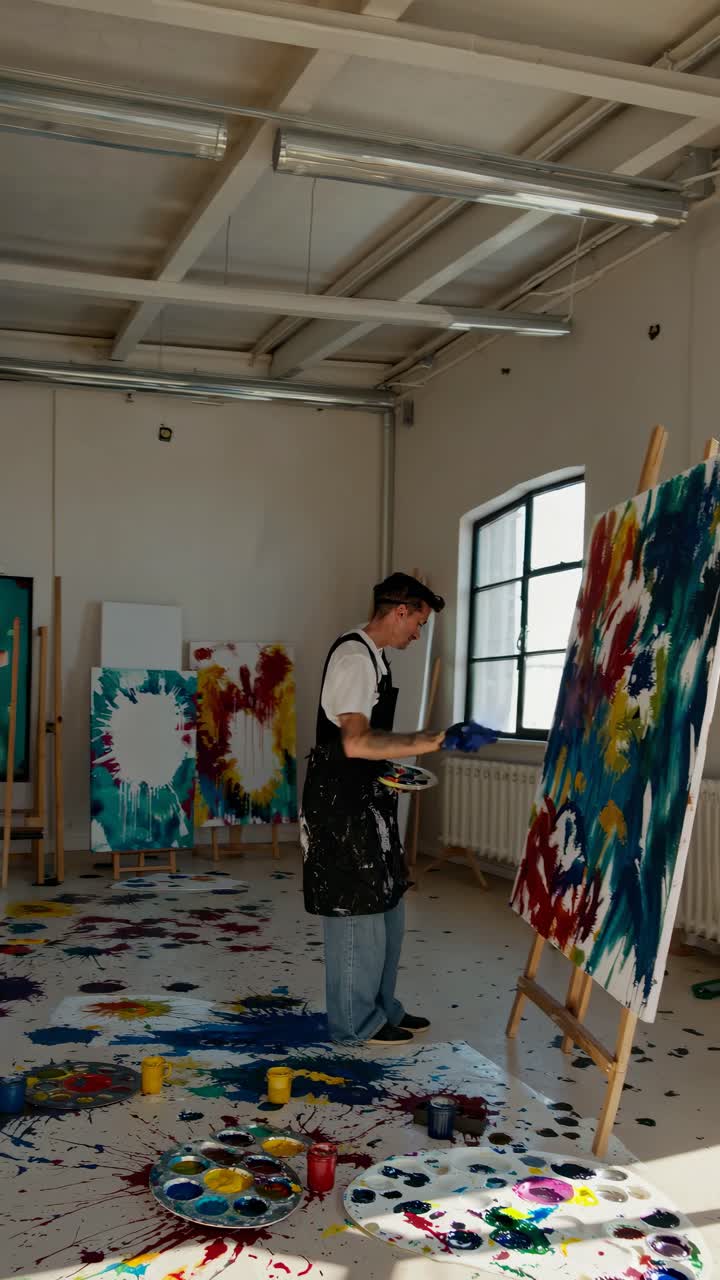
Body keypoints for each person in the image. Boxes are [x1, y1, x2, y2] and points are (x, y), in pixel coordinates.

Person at [301, 572, 446, 1045]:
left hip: (368, 800)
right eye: (418, 623)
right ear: (400, 610)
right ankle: (353, 1023)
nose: (417, 635)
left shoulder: (378, 659)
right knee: (356, 916)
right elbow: (357, 742)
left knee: (388, 911)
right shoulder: (353, 658)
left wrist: (393, 775)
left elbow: (369, 750)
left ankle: (384, 1008)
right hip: (339, 807)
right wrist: (426, 741)